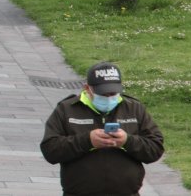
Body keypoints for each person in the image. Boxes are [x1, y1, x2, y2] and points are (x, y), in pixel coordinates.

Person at [41, 62, 164, 196]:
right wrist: (87, 141)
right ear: (87, 88)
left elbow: (155, 149)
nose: (109, 97)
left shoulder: (134, 108)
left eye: (113, 93)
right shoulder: (66, 109)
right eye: (103, 94)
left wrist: (127, 141)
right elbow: (50, 150)